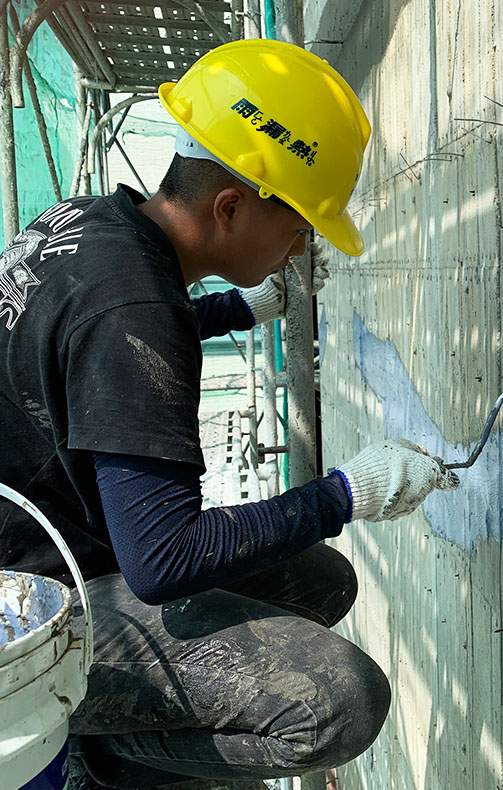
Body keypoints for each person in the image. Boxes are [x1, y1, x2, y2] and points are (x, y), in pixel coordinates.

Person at [0, 39, 458, 789]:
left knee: (319, 582)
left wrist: (232, 309)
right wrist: (347, 494)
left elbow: (97, 342)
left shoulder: (94, 226)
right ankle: (103, 758)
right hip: (25, 615)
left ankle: (109, 737)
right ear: (232, 206)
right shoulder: (136, 306)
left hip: (44, 554)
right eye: (302, 220)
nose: (303, 243)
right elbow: (164, 559)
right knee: (341, 701)